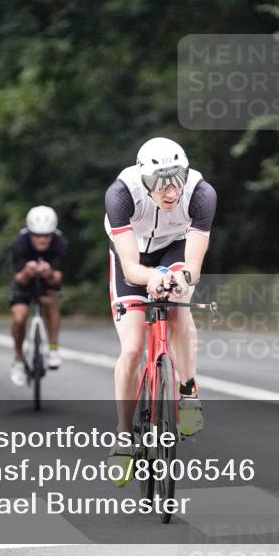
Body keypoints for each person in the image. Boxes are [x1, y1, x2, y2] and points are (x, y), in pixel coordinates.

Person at [103, 137, 216, 486]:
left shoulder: (201, 194)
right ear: (143, 180)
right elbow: (131, 269)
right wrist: (152, 278)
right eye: (160, 183)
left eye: (177, 179)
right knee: (133, 348)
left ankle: (189, 391)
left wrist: (178, 279)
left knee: (180, 308)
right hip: (133, 257)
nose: (171, 192)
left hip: (175, 248)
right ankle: (123, 436)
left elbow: (192, 268)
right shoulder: (120, 195)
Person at [9, 205, 68, 386]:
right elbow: (17, 277)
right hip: (24, 283)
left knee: (50, 302)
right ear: (30, 233)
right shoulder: (20, 242)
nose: (42, 240)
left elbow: (58, 278)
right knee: (19, 317)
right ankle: (19, 359)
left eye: (46, 236)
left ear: (52, 234)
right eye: (37, 235)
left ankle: (53, 348)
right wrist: (27, 272)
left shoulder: (60, 243)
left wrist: (49, 273)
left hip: (46, 283)